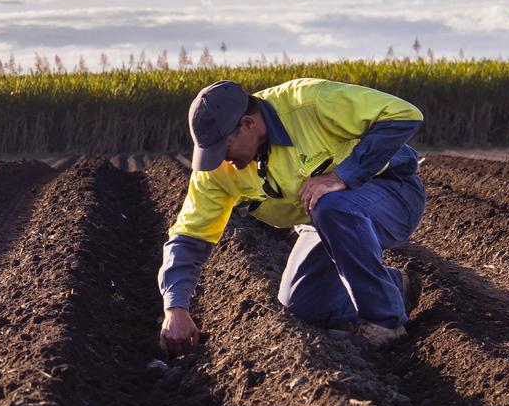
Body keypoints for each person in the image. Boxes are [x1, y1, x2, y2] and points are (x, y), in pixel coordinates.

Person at [158, 77, 426, 354]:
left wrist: (343, 175)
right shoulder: (217, 172)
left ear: (247, 125)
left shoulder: (309, 102)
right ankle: (395, 286)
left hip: (392, 194)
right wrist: (175, 307)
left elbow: (404, 114)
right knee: (302, 308)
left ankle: (385, 321)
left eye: (223, 149)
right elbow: (189, 235)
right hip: (322, 220)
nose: (220, 160)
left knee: (332, 204)